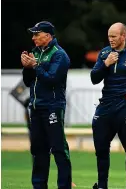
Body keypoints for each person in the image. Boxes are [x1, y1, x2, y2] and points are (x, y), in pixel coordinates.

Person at [90, 22, 126, 189]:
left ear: (123, 36)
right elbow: (94, 78)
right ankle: (102, 185)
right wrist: (105, 64)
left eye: (114, 36)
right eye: (109, 36)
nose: (110, 39)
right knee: (101, 148)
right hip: (106, 106)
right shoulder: (104, 53)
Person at [21, 21, 72, 189]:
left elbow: (52, 79)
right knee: (38, 150)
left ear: (48, 36)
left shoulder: (59, 55)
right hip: (36, 108)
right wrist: (27, 68)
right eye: (33, 34)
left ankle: (64, 186)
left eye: (37, 34)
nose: (33, 37)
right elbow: (28, 82)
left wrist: (35, 65)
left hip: (53, 107)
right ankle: (39, 186)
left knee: (58, 149)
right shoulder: (35, 52)